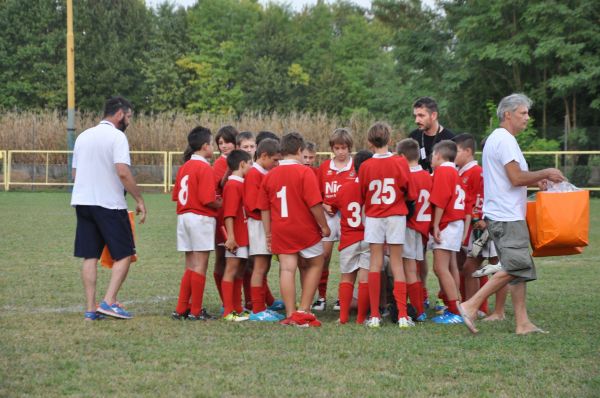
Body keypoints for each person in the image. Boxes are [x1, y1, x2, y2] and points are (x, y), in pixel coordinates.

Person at [458, 93, 564, 335]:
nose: (527, 118)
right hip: (506, 217)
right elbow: (516, 178)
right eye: (523, 113)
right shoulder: (504, 140)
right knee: (518, 265)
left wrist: (537, 181)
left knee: (517, 269)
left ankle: (522, 322)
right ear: (508, 114)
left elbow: (511, 180)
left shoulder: (501, 139)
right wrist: (545, 172)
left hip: (504, 213)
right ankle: (470, 305)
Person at [71, 95, 146, 320]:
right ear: (120, 114)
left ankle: (91, 308)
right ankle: (109, 301)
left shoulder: (83, 136)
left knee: (90, 256)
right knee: (125, 254)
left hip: (83, 203)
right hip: (109, 204)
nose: (129, 122)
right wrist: (139, 199)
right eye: (129, 117)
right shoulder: (117, 137)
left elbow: (75, 174)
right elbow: (122, 171)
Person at [257, 132, 331, 327]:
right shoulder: (305, 172)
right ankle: (304, 309)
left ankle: (290, 313)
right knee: (316, 263)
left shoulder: (270, 175)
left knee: (287, 269)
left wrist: (268, 233)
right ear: (299, 150)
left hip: (282, 229)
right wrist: (324, 225)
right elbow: (315, 203)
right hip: (304, 229)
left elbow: (264, 209)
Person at [359, 122, 416, 328]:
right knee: (396, 263)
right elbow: (410, 191)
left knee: (375, 263)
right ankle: (402, 315)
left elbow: (363, 194)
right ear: (390, 140)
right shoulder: (400, 162)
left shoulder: (365, 166)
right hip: (395, 215)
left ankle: (374, 316)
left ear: (369, 142)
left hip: (374, 215)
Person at [171, 126, 221, 321]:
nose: (213, 149)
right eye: (211, 144)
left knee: (190, 265)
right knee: (200, 265)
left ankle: (182, 307)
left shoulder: (185, 167)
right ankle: (195, 310)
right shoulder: (204, 167)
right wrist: (222, 203)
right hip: (200, 218)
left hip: (184, 217)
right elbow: (208, 199)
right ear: (205, 146)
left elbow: (177, 195)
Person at [312, 128, 356, 312]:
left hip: (348, 217)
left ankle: (342, 298)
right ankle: (321, 297)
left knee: (348, 258)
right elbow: (316, 194)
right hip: (329, 216)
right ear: (332, 148)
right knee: (324, 256)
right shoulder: (324, 168)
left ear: (349, 148)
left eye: (344, 148)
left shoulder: (355, 167)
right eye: (337, 148)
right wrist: (323, 205)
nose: (341, 152)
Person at [244, 138, 285, 322]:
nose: (277, 164)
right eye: (275, 160)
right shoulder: (254, 174)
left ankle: (262, 306)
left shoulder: (262, 172)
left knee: (264, 266)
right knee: (259, 267)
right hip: (258, 225)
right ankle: (257, 310)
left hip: (263, 224)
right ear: (264, 156)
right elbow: (253, 205)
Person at [331, 150, 373, 324]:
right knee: (364, 279)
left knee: (347, 278)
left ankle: (343, 317)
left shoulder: (344, 188)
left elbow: (333, 207)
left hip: (349, 238)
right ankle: (361, 318)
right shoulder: (371, 188)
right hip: (368, 236)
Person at [428, 140, 466, 324]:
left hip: (447, 223)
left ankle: (455, 310)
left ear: (438, 155)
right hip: (456, 222)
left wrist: (435, 225)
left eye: (432, 155)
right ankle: (457, 306)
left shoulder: (443, 170)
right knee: (451, 266)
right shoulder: (455, 171)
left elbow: (441, 199)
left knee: (440, 267)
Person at [397, 138, 432, 322]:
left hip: (409, 226)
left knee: (408, 270)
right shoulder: (428, 175)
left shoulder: (406, 176)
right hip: (423, 227)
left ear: (402, 156)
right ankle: (420, 307)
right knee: (416, 269)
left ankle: (418, 311)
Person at [221, 150, 253, 321]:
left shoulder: (240, 183)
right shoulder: (233, 185)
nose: (251, 167)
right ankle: (228, 311)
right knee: (231, 269)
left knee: (240, 271)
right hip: (236, 237)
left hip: (244, 235)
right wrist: (231, 237)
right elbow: (229, 214)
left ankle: (237, 307)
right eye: (250, 163)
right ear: (242, 164)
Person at [212, 126, 238, 306]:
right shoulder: (220, 163)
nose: (224, 146)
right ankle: (225, 301)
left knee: (242, 261)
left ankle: (242, 301)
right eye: (220, 143)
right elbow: (218, 187)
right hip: (222, 217)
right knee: (223, 258)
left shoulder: (242, 160)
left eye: (227, 142)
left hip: (238, 216)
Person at [409, 97, 454, 172]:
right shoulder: (412, 138)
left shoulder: (450, 139)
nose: (416, 121)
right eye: (415, 116)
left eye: (421, 116)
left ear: (433, 115)